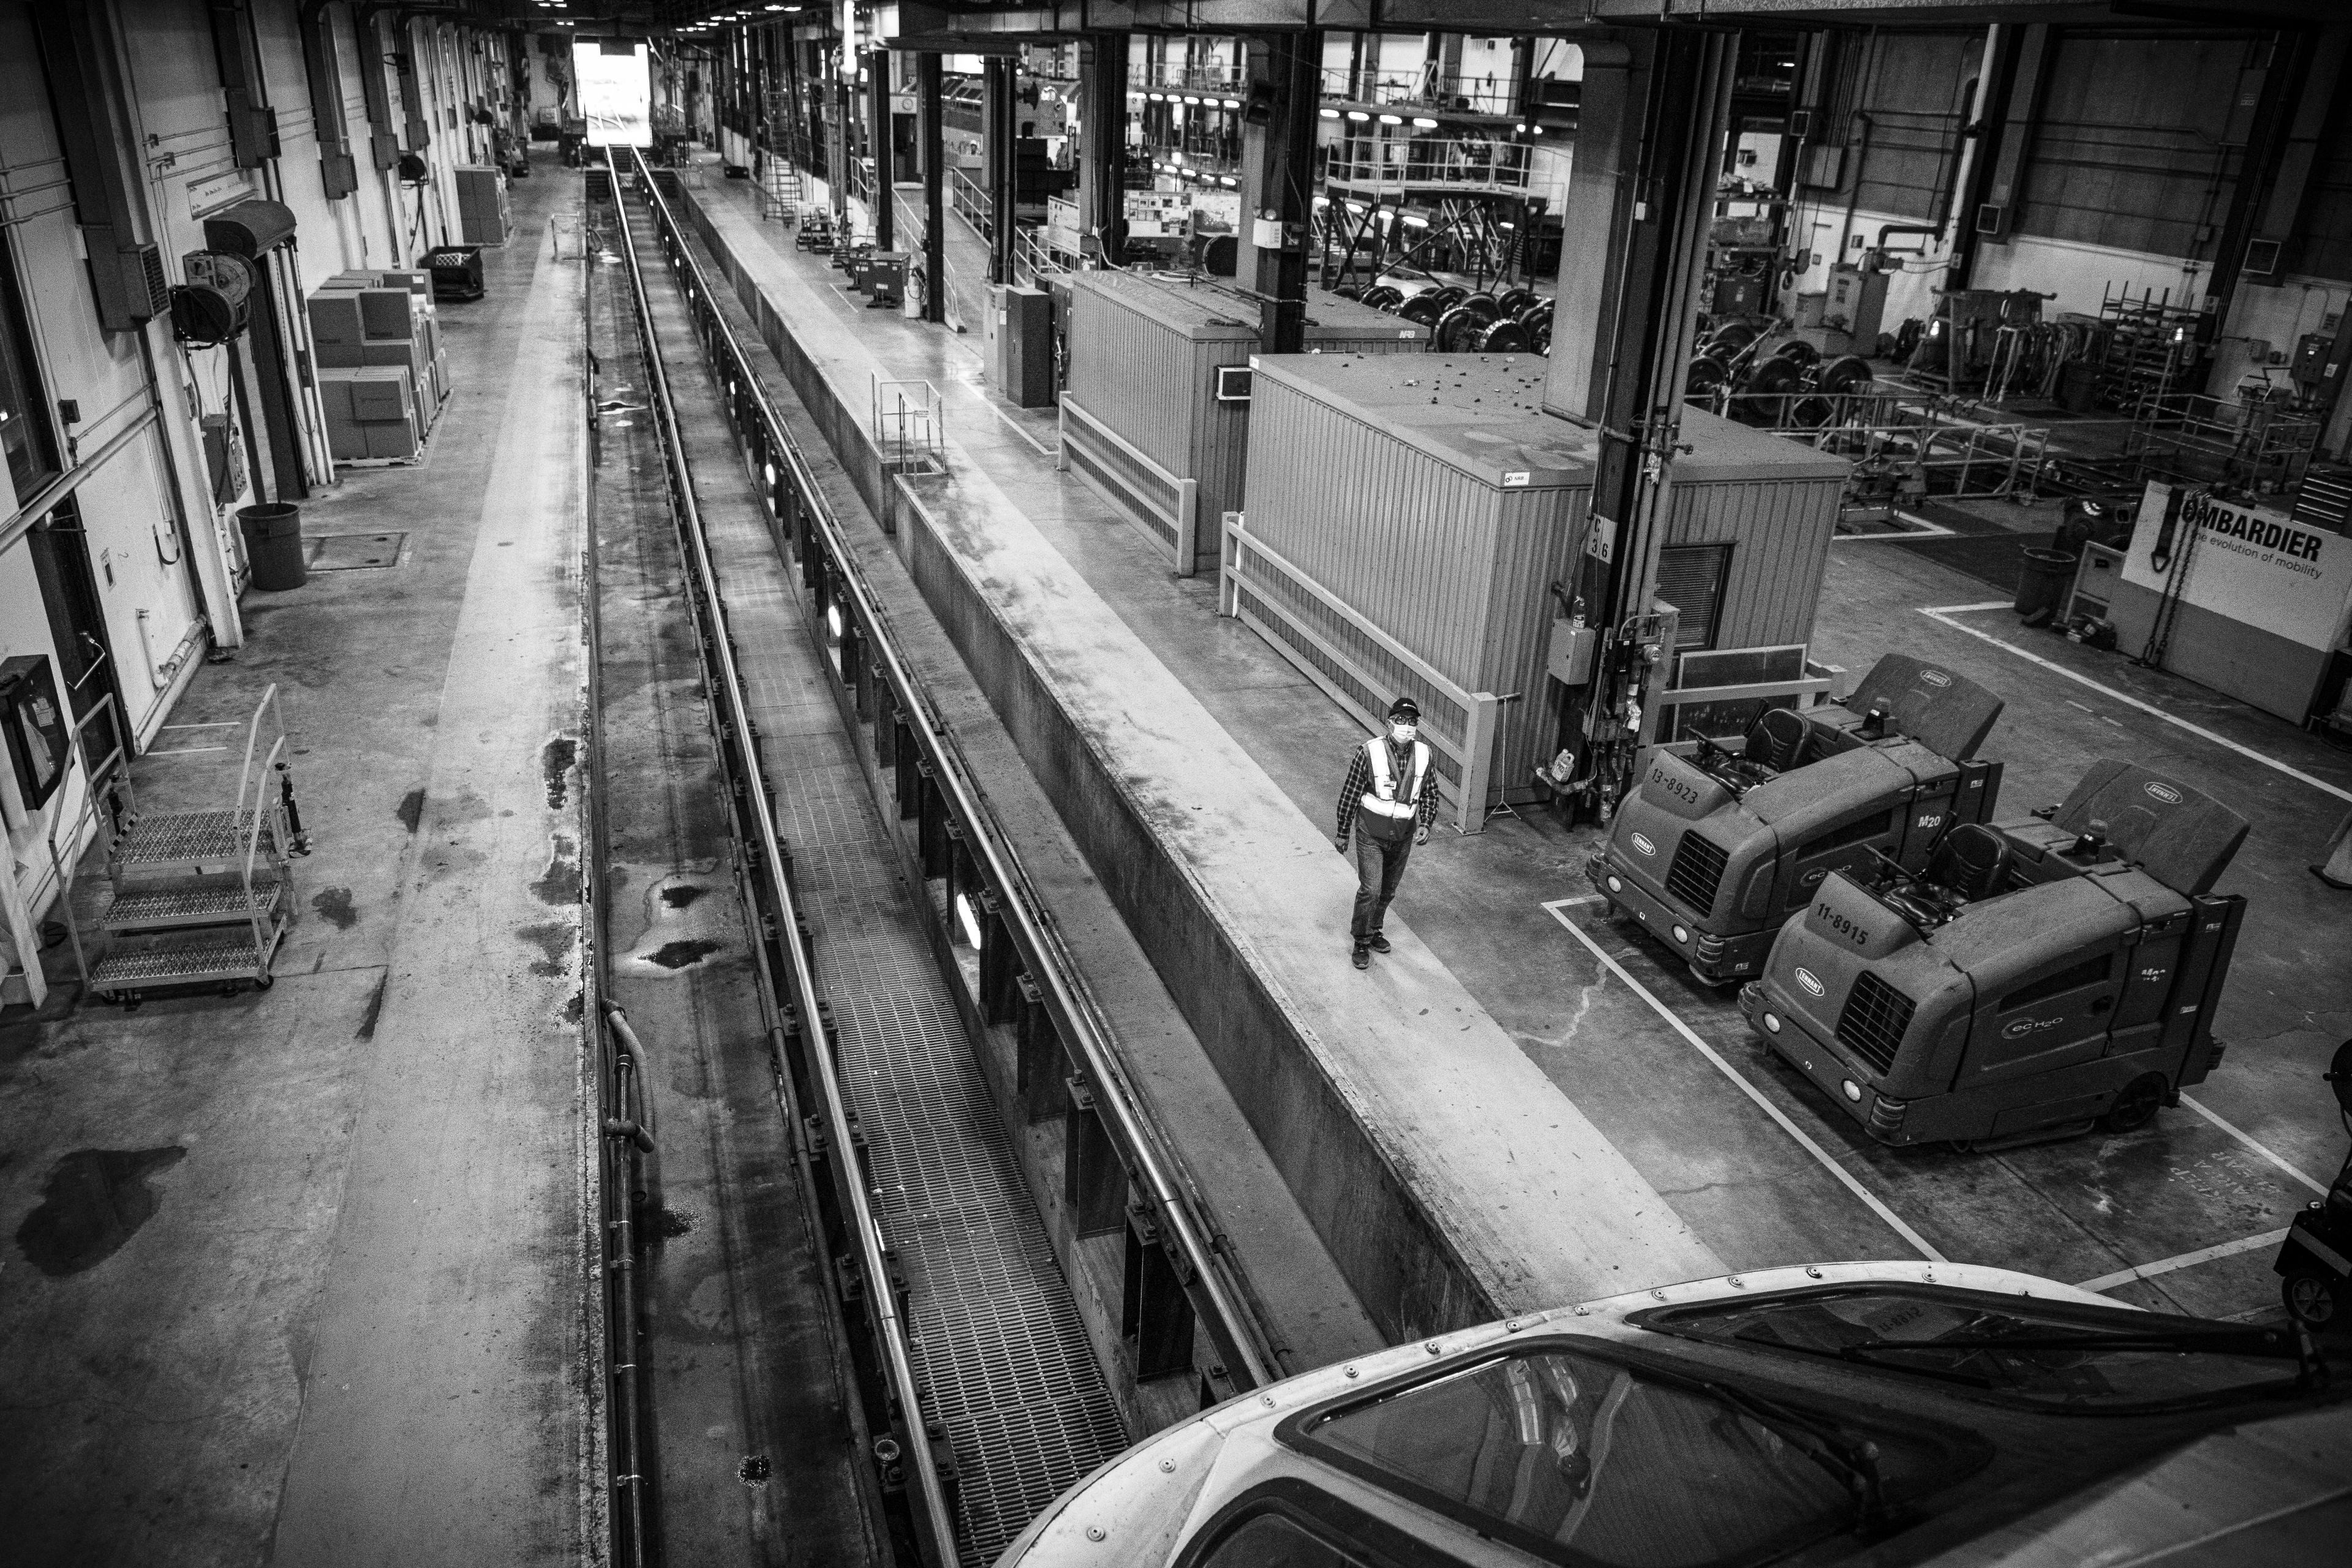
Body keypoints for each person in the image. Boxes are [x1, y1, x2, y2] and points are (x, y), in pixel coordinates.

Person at [1335, 697, 1439, 970]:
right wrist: (1343, 831)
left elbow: (1429, 792)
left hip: (1403, 836)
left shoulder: (1425, 755)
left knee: (1388, 890)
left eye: (1412, 722)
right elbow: (1350, 793)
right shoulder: (1369, 752)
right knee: (1371, 888)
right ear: (1389, 722)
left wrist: (1426, 823)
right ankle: (1361, 939)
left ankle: (1375, 930)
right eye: (1401, 721)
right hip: (1371, 833)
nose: (1407, 726)